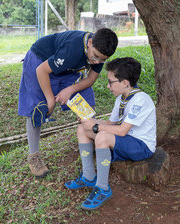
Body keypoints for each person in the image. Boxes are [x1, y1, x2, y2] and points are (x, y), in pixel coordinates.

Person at [18, 28, 118, 177]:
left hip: (66, 67)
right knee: (38, 108)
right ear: (90, 43)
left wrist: (70, 90)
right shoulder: (73, 48)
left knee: (86, 102)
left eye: (102, 60)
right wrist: (51, 99)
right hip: (40, 62)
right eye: (95, 57)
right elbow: (42, 70)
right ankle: (34, 157)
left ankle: (95, 145)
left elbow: (90, 79)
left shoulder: (99, 50)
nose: (97, 62)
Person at [64, 57, 156, 210]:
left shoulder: (141, 99)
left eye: (111, 82)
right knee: (82, 129)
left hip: (141, 146)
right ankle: (88, 176)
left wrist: (95, 127)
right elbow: (111, 124)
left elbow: (121, 130)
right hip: (125, 139)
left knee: (102, 136)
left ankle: (103, 188)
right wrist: (90, 121)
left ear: (125, 83)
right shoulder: (121, 97)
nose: (108, 86)